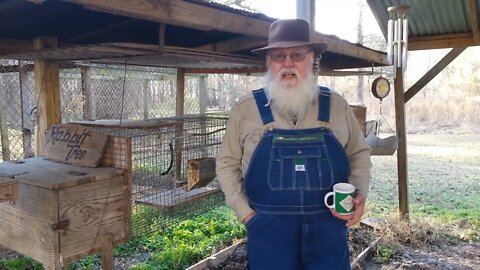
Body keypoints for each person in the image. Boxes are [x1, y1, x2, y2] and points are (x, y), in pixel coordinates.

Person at [216, 18, 371, 269]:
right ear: (269, 63)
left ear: (311, 59)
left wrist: (358, 194)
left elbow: (359, 155)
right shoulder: (246, 110)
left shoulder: (336, 105)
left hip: (328, 228)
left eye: (296, 55)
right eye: (278, 56)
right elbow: (226, 164)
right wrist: (246, 214)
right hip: (268, 232)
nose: (287, 64)